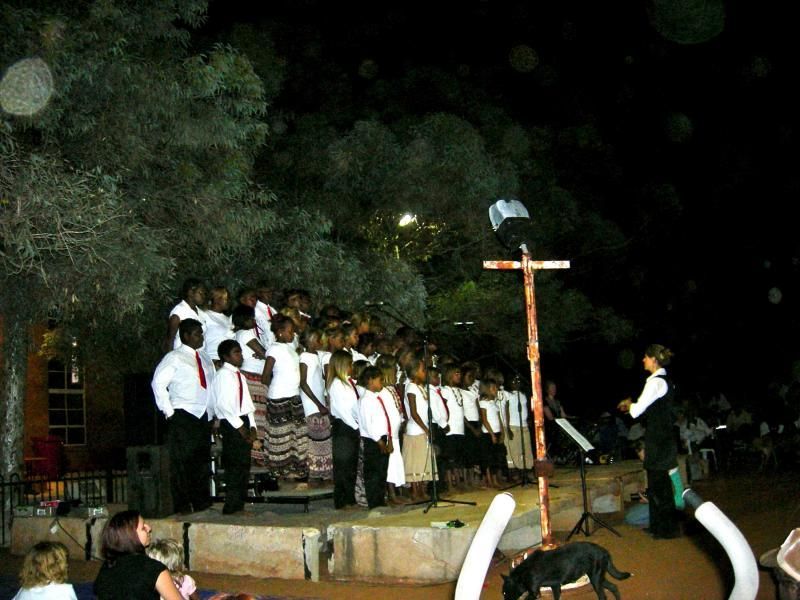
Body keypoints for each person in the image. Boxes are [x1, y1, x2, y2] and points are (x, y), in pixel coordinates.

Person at [151, 318, 214, 515]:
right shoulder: (175, 357)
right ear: (186, 336)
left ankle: (201, 501)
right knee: (182, 462)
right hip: (183, 414)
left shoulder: (205, 358)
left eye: (201, 333)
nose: (201, 337)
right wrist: (169, 412)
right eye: (197, 333)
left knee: (201, 461)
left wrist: (212, 414)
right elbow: (158, 383)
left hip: (203, 415)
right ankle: (183, 504)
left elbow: (209, 387)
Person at [617, 344, 680, 539]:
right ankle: (661, 527)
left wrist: (628, 404)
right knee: (659, 484)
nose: (643, 360)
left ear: (653, 359)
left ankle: (665, 530)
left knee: (658, 484)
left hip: (659, 440)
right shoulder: (662, 381)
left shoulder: (655, 382)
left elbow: (636, 410)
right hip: (662, 438)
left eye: (645, 357)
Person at [212, 339, 258, 515]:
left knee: (243, 466)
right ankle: (231, 506)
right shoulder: (223, 375)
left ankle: (239, 504)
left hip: (242, 420)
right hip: (232, 424)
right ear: (225, 356)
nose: (241, 356)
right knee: (235, 466)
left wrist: (252, 425)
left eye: (240, 352)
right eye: (236, 353)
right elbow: (224, 405)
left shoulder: (240, 376)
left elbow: (247, 403)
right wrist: (241, 428)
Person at [94, 510, 182, 600]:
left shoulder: (107, 568)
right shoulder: (153, 569)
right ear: (130, 535)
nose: (149, 528)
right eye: (143, 527)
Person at [262, 314, 307, 480]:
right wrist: (277, 388)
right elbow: (265, 376)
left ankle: (293, 469)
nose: (293, 334)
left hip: (294, 396)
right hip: (280, 397)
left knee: (295, 436)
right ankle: (279, 472)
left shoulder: (291, 346)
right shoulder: (274, 349)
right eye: (290, 331)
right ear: (280, 332)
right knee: (281, 437)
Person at [232, 304, 269, 467]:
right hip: (253, 377)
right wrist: (262, 354)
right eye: (251, 318)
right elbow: (265, 353)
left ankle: (256, 455)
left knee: (257, 416)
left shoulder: (238, 334)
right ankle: (257, 455)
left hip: (251, 375)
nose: (253, 321)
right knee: (259, 417)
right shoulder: (246, 334)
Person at [327, 350, 360, 509]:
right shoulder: (336, 384)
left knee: (351, 465)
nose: (351, 366)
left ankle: (350, 498)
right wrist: (355, 426)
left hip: (352, 425)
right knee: (343, 465)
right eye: (349, 364)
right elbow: (342, 410)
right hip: (344, 427)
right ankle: (341, 501)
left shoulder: (349, 382)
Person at [299, 328, 333, 484]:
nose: (319, 341)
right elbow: (304, 383)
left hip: (318, 403)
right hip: (312, 404)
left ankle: (323, 473)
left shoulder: (316, 356)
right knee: (315, 440)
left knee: (323, 440)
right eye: (316, 337)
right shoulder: (305, 356)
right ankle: (315, 475)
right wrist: (318, 404)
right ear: (308, 340)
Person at [357, 365, 393, 508]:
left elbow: (384, 420)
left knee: (382, 471)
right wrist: (380, 442)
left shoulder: (376, 398)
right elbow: (368, 425)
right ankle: (374, 502)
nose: (382, 383)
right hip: (373, 441)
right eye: (379, 380)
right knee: (374, 473)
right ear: (370, 381)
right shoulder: (365, 400)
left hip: (382, 439)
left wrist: (388, 438)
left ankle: (380, 499)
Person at [164, 278, 207, 353]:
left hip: (198, 357)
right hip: (182, 357)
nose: (203, 296)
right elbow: (169, 340)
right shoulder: (179, 312)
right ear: (190, 293)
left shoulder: (201, 313)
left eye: (204, 293)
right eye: (200, 293)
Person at [504, 374, 534, 477]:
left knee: (526, 448)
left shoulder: (523, 394)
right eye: (513, 382)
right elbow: (506, 411)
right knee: (515, 449)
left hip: (524, 425)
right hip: (513, 425)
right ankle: (519, 470)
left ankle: (528, 467)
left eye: (518, 381)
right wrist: (507, 427)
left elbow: (527, 408)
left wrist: (528, 419)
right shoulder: (508, 395)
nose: (516, 383)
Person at [479, 378, 506, 488]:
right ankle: (489, 480)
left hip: (497, 432)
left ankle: (495, 479)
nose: (496, 390)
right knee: (488, 458)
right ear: (487, 389)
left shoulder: (494, 403)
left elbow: (499, 418)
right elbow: (484, 420)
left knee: (496, 457)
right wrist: (491, 434)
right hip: (488, 434)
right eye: (493, 388)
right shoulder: (483, 402)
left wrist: (502, 431)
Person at [204, 286, 234, 368]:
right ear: (217, 299)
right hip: (213, 360)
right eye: (226, 299)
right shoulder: (205, 315)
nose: (228, 302)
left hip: (229, 362)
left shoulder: (229, 319)